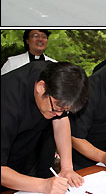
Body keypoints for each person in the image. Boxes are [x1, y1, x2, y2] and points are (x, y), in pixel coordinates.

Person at [1, 60, 88, 190]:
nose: (59, 114)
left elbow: (61, 122)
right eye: (57, 108)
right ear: (41, 87)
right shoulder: (7, 102)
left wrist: (67, 168)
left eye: (65, 110)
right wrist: (43, 185)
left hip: (22, 157)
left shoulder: (56, 79)